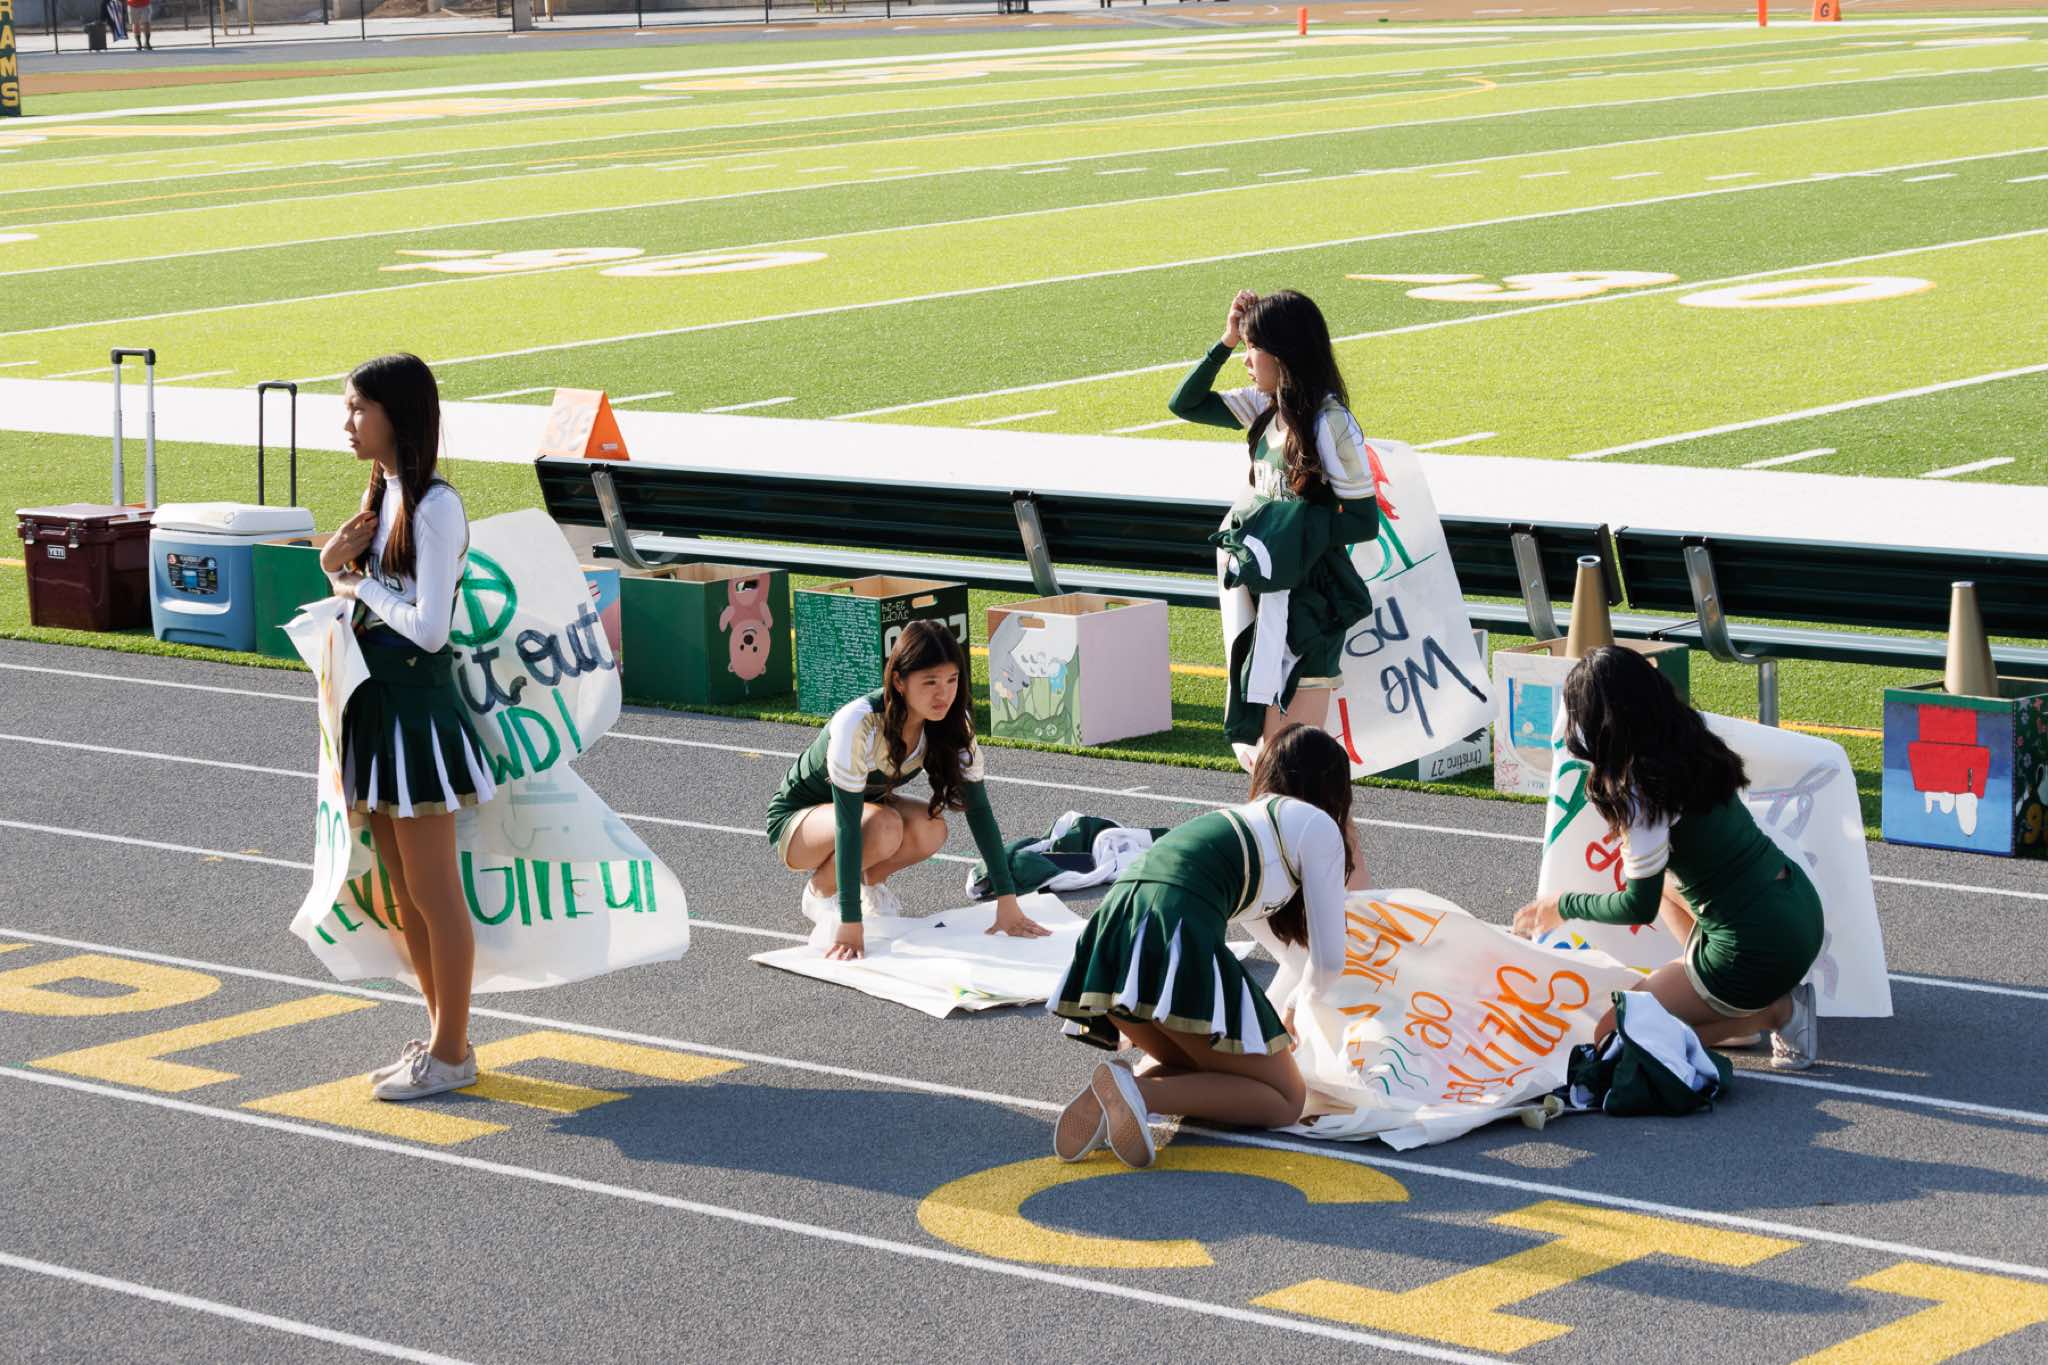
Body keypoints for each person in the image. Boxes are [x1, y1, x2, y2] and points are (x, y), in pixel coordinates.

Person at [1049, 724, 1363, 1168]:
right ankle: (1139, 1092)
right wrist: (1296, 1011)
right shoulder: (1316, 826)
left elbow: (1291, 958)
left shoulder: (1243, 823)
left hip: (1113, 927)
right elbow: (1328, 961)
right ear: (1333, 788)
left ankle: (1114, 1094)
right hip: (1172, 924)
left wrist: (1277, 1017)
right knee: (1286, 1099)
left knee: (1213, 1071)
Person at [1512, 646, 1823, 1070]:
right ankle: (1730, 1007)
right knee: (1661, 886)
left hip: (1755, 950)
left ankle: (1774, 1012)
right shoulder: (1689, 738)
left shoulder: (1639, 788)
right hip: (1799, 907)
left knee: (1614, 1038)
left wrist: (1562, 905)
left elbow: (1635, 905)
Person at [319, 353, 495, 1102]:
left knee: (434, 891)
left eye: (359, 407)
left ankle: (451, 1052)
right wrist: (333, 565)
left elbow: (429, 628)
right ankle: (443, 1041)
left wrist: (357, 582)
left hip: (416, 714)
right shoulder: (384, 491)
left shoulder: (434, 505)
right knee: (405, 893)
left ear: (399, 413)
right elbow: (362, 597)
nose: (348, 422)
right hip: (377, 707)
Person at [1167, 289, 1379, 773]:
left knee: (1290, 765)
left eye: (1252, 348)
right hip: (1265, 594)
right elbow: (1185, 403)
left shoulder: (1330, 424)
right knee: (1266, 758)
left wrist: (1287, 531)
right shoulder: (1265, 406)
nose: (1245, 360)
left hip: (1309, 603)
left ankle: (1315, 825)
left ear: (1283, 355)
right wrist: (1224, 340)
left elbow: (1363, 521)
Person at [764, 619, 1048, 961]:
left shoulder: (953, 723)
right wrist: (851, 921)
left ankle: (870, 885)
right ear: (899, 681)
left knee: (932, 827)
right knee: (884, 825)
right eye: (930, 682)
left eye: (952, 680)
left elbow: (978, 808)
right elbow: (847, 824)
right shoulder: (859, 723)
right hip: (799, 823)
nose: (943, 694)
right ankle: (821, 892)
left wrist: (1007, 902)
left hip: (868, 810)